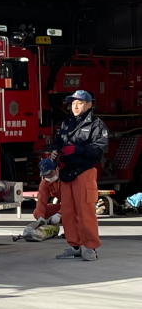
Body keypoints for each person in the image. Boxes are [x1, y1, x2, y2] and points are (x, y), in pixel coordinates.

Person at [50, 90, 108, 261]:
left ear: (89, 105)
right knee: (67, 212)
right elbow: (58, 142)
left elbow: (99, 149)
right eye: (72, 103)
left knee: (85, 212)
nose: (75, 106)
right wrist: (54, 152)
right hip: (66, 172)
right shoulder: (66, 124)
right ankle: (74, 246)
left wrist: (77, 149)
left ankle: (90, 247)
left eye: (79, 102)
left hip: (84, 172)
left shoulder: (97, 125)